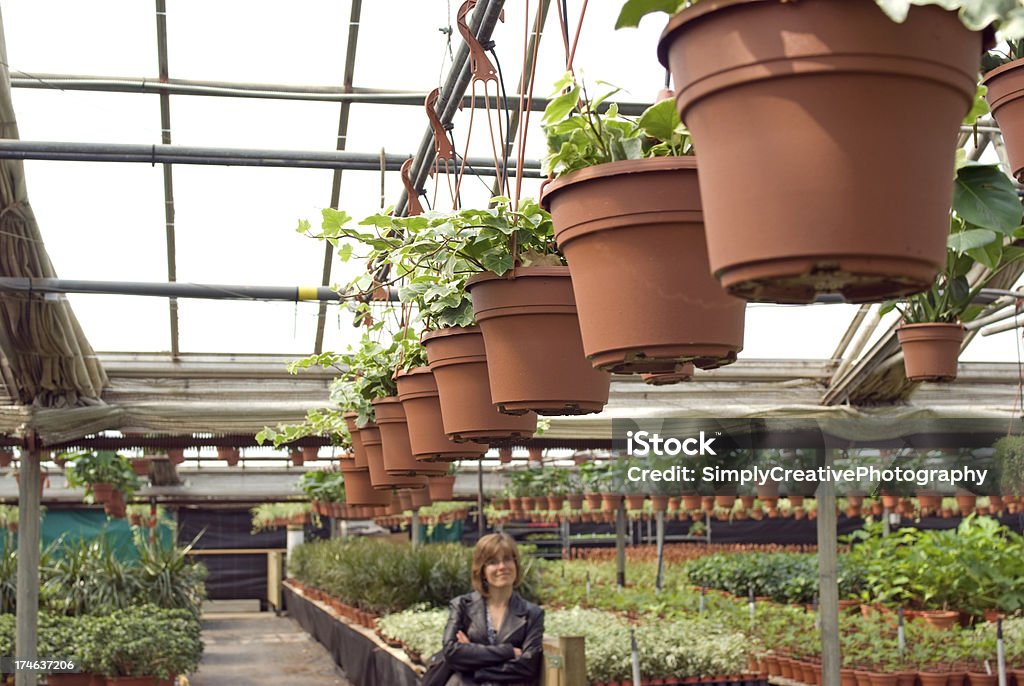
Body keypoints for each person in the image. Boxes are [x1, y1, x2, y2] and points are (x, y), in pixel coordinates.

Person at [440, 533, 545, 686]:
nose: (502, 567)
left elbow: (527, 666)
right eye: (493, 562)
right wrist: (508, 652)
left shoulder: (532, 614)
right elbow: (451, 653)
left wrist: (474, 665)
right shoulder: (462, 606)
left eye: (507, 559)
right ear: (482, 570)